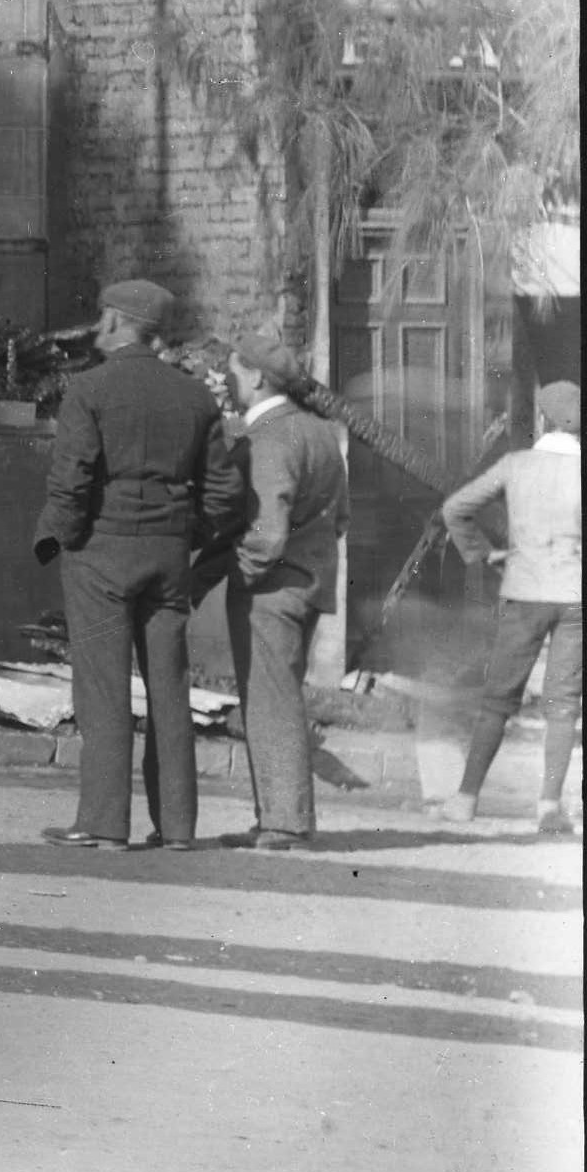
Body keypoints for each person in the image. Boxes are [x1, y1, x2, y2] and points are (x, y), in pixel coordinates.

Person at [31, 278, 249, 852]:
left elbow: (71, 481)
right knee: (170, 691)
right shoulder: (196, 396)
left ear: (112, 322)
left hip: (100, 555)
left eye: (101, 318)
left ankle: (104, 823)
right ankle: (177, 827)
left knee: (103, 691)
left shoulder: (89, 389)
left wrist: (57, 539)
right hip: (168, 557)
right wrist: (185, 534)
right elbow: (225, 494)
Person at [435, 379, 582, 839]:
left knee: (498, 699)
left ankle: (465, 800)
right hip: (577, 597)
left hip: (523, 592)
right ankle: (549, 807)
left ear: (542, 419)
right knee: (563, 704)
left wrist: (483, 554)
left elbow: (455, 509)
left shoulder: (516, 465)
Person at [219, 352, 350, 852]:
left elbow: (267, 535)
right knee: (279, 695)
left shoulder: (269, 438)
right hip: (309, 583)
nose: (228, 378)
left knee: (271, 702)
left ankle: (285, 823)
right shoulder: (320, 432)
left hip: (270, 588)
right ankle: (277, 818)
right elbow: (340, 518)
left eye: (233, 370)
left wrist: (243, 574)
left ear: (256, 376)